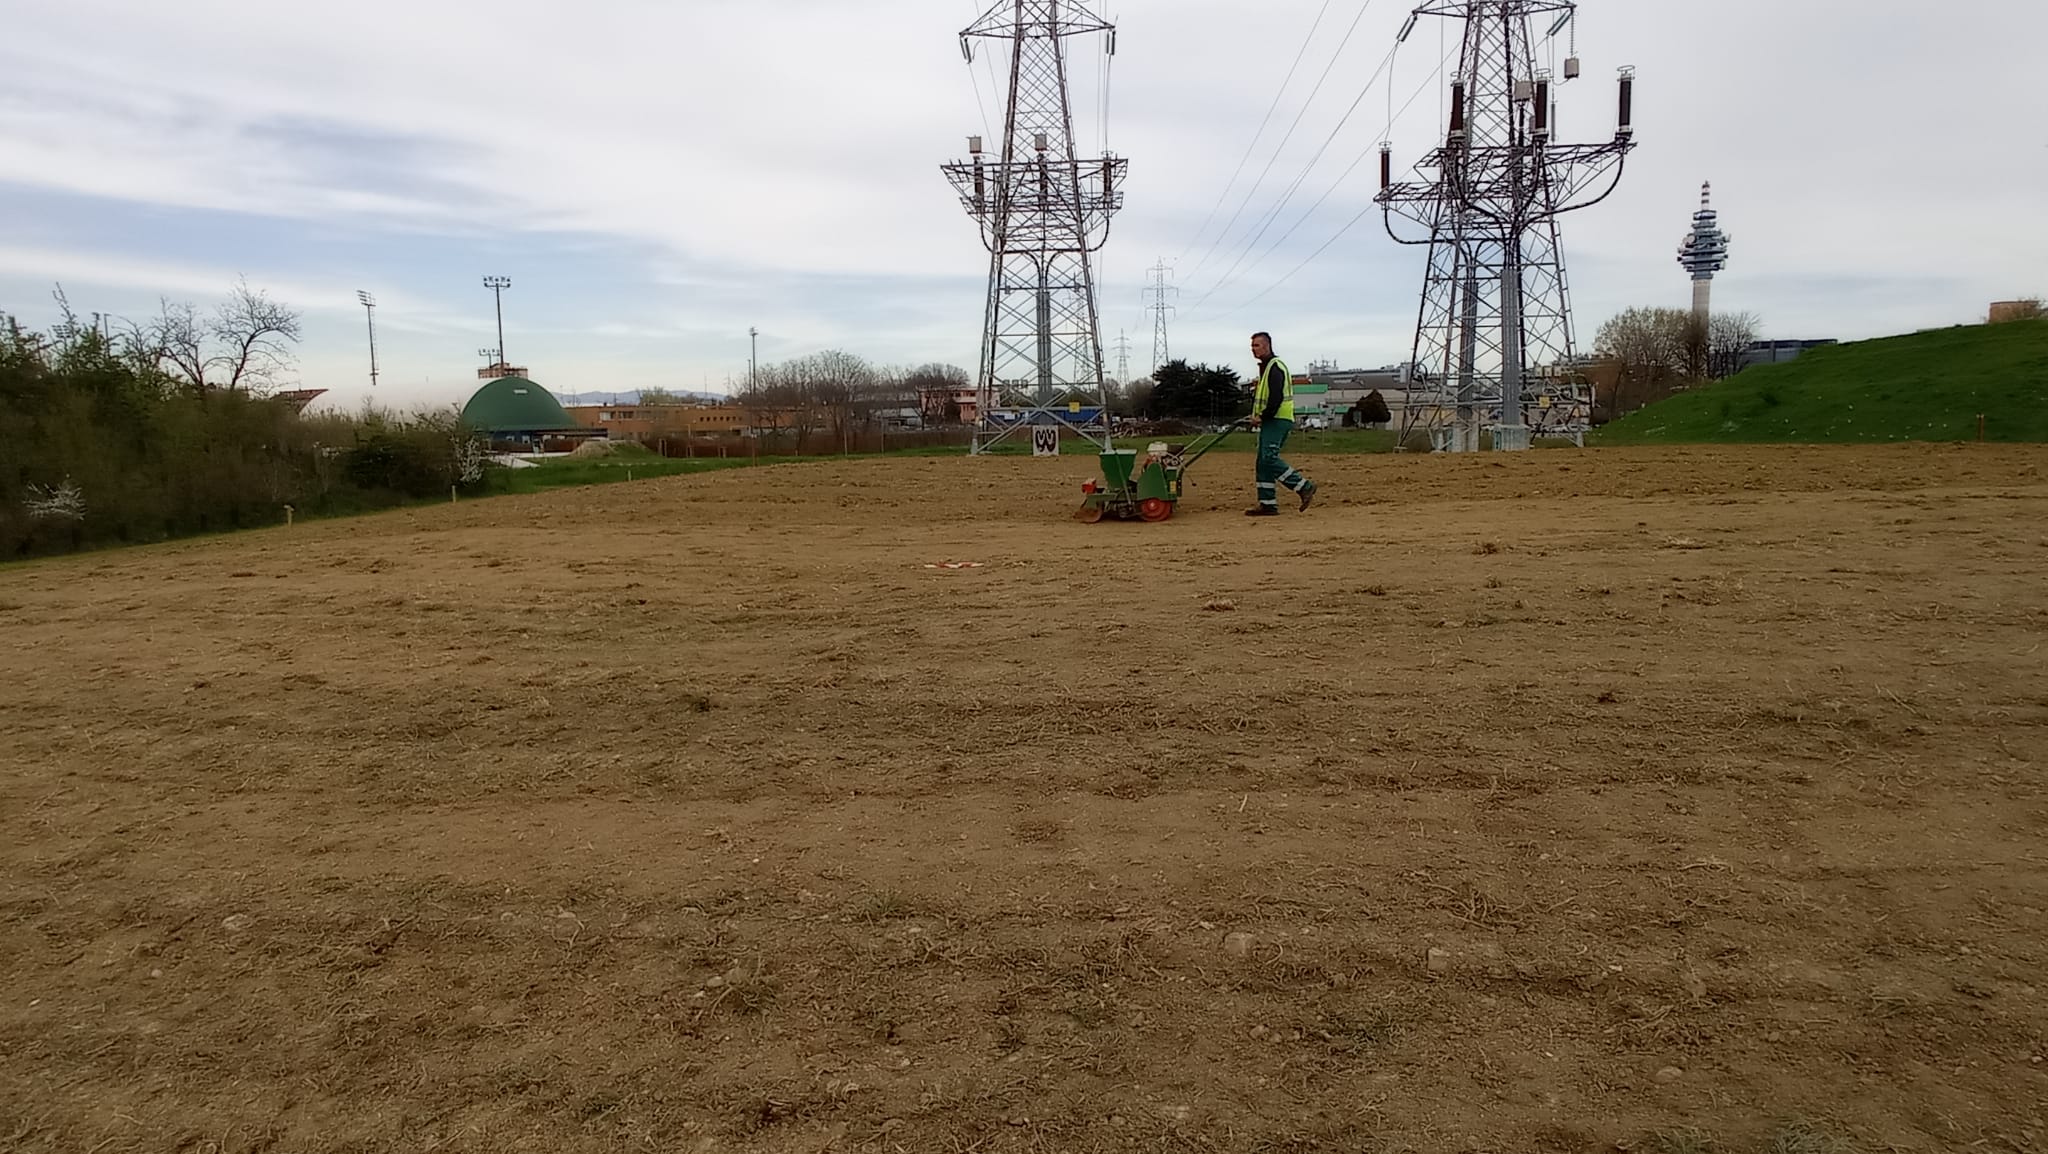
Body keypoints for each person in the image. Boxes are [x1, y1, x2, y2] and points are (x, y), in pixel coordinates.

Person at [1245, 331, 1317, 517]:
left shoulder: (1275, 367)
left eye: (1257, 345)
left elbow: (1276, 397)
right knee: (1262, 463)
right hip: (1272, 420)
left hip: (1277, 420)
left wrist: (1263, 416)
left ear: (1267, 345)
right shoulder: (1266, 367)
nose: (1253, 349)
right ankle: (1268, 504)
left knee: (1269, 458)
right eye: (1252, 346)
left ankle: (1304, 486)